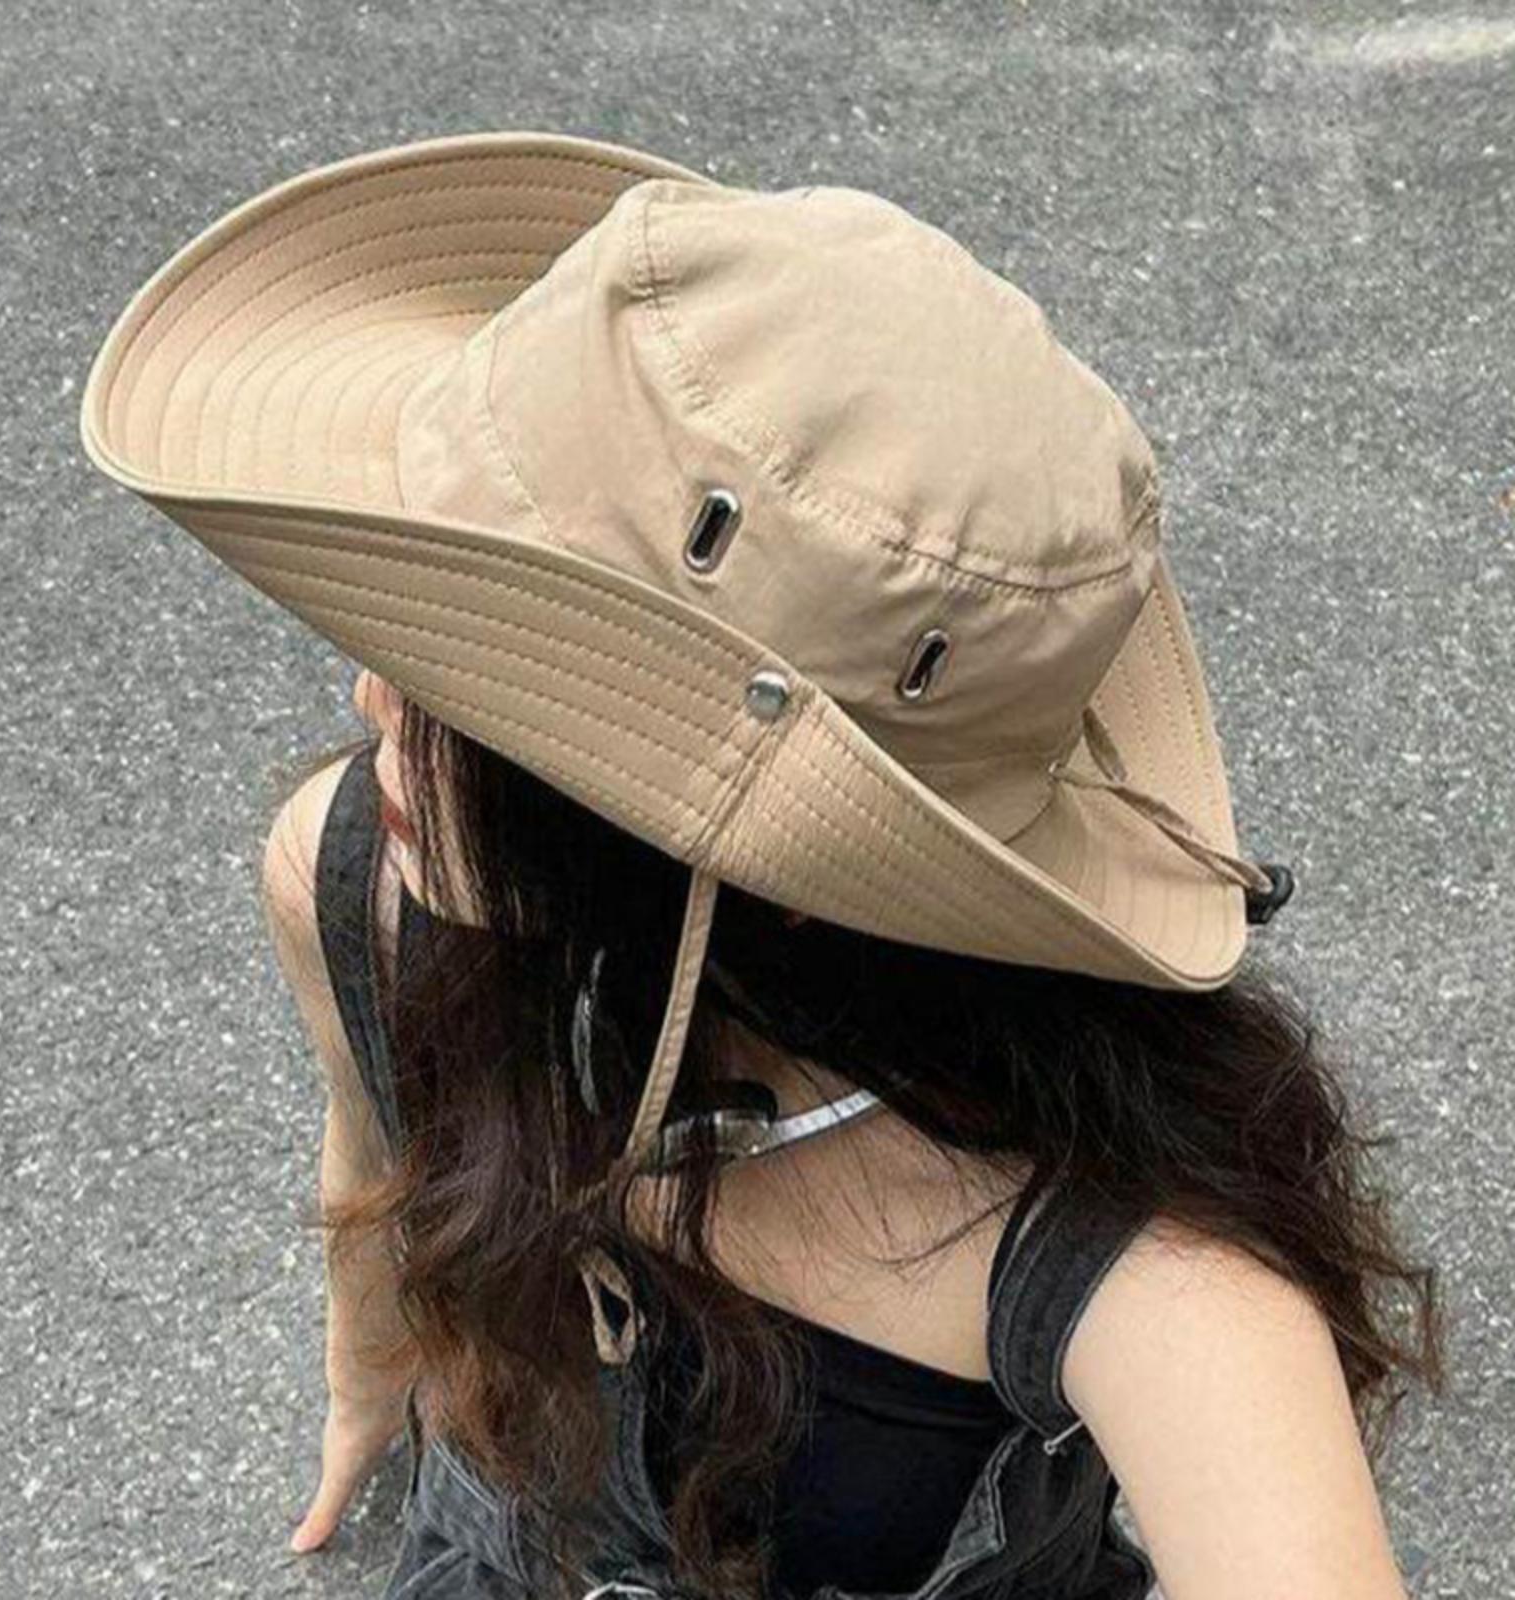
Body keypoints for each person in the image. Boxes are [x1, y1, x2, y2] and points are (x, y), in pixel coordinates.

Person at [82, 130, 1443, 1600]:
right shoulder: (351, 875)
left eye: (480, 693)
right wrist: (373, 1373)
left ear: (767, 853)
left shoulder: (1121, 1248)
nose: (369, 705)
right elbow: (374, 1145)